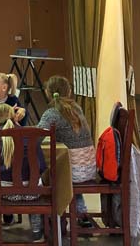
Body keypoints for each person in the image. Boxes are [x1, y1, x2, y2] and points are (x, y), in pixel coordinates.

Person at [37, 76, 96, 227]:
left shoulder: (51, 113)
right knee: (68, 163)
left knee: (47, 172)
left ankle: (55, 216)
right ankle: (81, 213)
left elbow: (35, 137)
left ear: (47, 93)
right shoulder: (77, 109)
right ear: (69, 92)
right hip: (90, 168)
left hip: (72, 172)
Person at [0, 104, 46, 240]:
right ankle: (36, 229)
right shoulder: (31, 135)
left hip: (6, 193)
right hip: (32, 193)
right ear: (14, 117)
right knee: (35, 183)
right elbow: (41, 166)